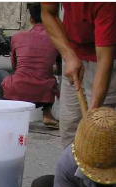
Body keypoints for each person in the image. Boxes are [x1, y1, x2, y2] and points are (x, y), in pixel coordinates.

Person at [42, 2, 116, 148]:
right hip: (74, 52)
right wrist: (68, 55)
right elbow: (47, 13)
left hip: (106, 58)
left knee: (101, 133)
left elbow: (104, 61)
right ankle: (70, 169)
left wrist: (90, 119)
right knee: (70, 128)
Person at [0, 3, 60, 127]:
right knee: (51, 79)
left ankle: (9, 112)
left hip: (17, 95)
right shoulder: (57, 38)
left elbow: (14, 66)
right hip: (43, 97)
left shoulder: (17, 37)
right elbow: (59, 69)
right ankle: (47, 114)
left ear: (31, 19)